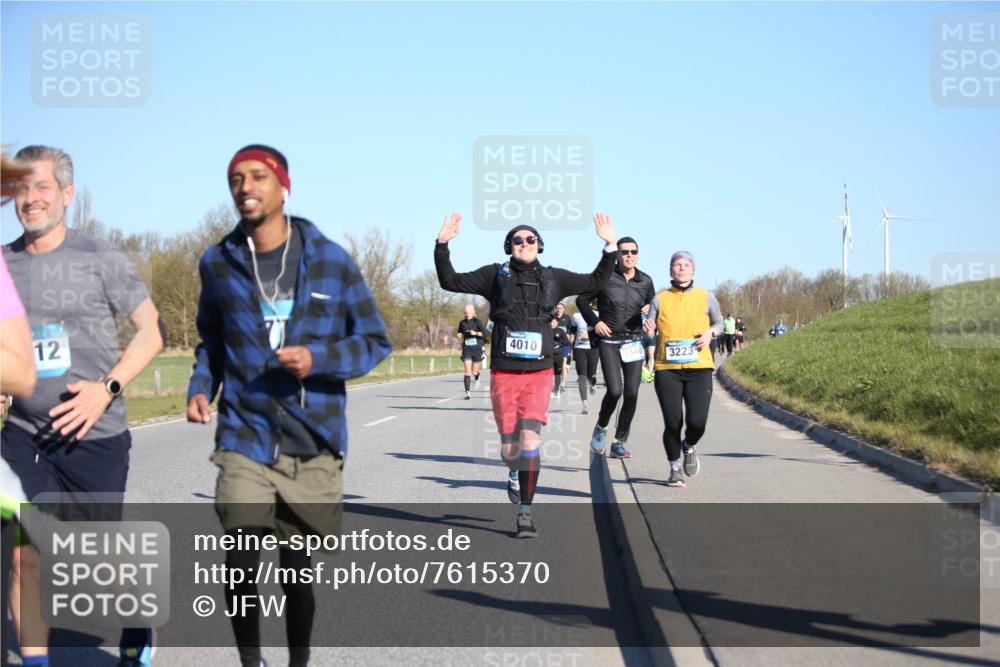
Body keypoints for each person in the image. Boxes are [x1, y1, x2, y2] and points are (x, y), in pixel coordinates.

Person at [186, 145, 391, 667]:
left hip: (311, 437)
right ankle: (251, 661)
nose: (244, 187)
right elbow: (211, 339)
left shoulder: (331, 260)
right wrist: (199, 386)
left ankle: (298, 661)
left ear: (283, 186)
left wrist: (317, 359)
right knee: (240, 556)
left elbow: (374, 341)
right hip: (244, 431)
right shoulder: (218, 262)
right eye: (235, 178)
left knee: (296, 568)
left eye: (257, 176)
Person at [2, 145, 164, 666]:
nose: (30, 199)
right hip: (24, 433)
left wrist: (107, 388)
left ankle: (137, 624)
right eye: (20, 189)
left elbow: (152, 333)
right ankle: (35, 661)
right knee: (25, 554)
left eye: (41, 187)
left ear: (66, 194)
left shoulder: (99, 257)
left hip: (94, 435)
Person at [435, 212, 618, 538]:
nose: (524, 244)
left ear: (539, 245)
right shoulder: (494, 275)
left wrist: (609, 247)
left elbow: (594, 283)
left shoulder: (554, 278)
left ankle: (525, 513)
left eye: (530, 239)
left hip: (539, 373)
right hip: (505, 373)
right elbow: (450, 281)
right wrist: (442, 245)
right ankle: (514, 471)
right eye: (518, 240)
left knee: (531, 439)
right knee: (510, 448)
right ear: (509, 246)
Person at [643, 250, 722, 488]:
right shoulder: (660, 298)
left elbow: (718, 323)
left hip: (699, 367)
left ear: (693, 270)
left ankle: (688, 445)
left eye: (686, 265)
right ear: (670, 270)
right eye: (677, 265)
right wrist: (647, 329)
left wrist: (710, 333)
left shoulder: (706, 297)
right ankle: (674, 467)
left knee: (697, 422)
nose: (681, 268)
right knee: (673, 421)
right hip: (668, 369)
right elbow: (649, 329)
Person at [576, 236, 655, 459]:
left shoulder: (646, 281)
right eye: (624, 252)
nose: (629, 255)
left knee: (631, 392)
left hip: (633, 342)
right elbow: (582, 301)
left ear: (638, 254)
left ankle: (619, 441)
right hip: (609, 341)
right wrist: (596, 322)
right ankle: (601, 427)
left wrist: (651, 316)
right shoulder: (605, 276)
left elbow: (654, 309)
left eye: (633, 252)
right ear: (618, 255)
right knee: (614, 390)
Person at [570, 304, 597, 414]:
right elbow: (572, 330)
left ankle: (593, 383)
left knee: (591, 375)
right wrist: (571, 339)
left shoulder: (597, 314)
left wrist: (589, 334)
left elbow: (601, 330)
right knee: (582, 375)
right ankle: (585, 405)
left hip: (593, 348)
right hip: (579, 348)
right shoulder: (576, 316)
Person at [457, 304, 486, 399]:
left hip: (477, 349)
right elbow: (459, 331)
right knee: (467, 372)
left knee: (474, 371)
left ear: (473, 312)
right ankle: (467, 393)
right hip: (467, 349)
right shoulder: (462, 323)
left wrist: (476, 333)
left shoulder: (477, 322)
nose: (467, 314)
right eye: (465, 313)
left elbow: (485, 333)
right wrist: (459, 334)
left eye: (469, 312)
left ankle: (477, 377)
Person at [552, 302, 573, 391]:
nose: (559, 309)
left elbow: (572, 331)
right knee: (554, 366)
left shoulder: (567, 318)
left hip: (564, 345)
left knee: (563, 365)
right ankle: (555, 383)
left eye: (561, 308)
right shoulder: (552, 318)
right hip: (554, 345)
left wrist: (571, 340)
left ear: (564, 309)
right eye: (557, 308)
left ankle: (563, 384)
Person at [549, 317, 571, 399]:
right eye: (551, 321)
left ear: (557, 323)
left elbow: (567, 343)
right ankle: (551, 391)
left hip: (559, 355)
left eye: (554, 321)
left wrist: (559, 338)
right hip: (549, 355)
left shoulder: (561, 331)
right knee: (549, 374)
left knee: (557, 374)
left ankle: (557, 391)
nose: (552, 323)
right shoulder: (546, 330)